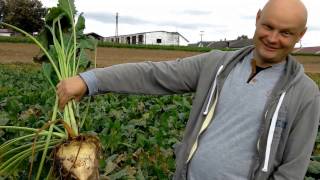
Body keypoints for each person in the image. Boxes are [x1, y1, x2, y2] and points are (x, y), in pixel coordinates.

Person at [57, 0, 320, 179]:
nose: (273, 38)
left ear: (300, 35)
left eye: (286, 33)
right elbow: (153, 74)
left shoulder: (304, 94)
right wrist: (90, 80)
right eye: (269, 26)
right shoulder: (216, 65)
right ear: (258, 18)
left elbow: (292, 170)